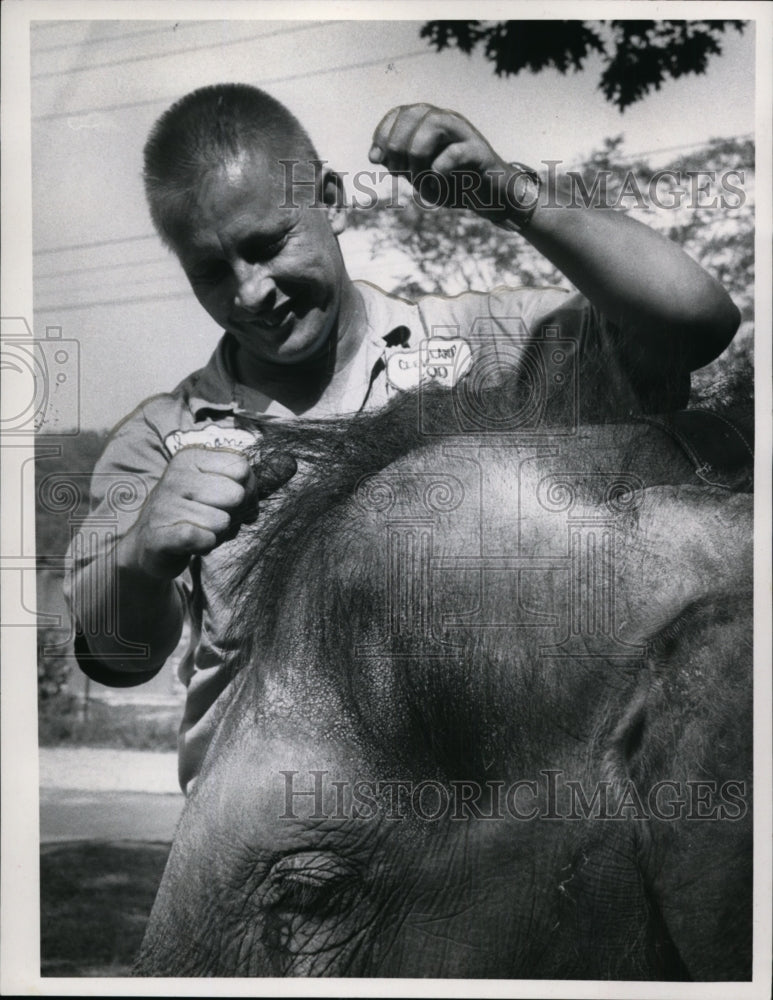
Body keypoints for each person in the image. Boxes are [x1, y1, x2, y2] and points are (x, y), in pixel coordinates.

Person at [64, 84, 740, 793]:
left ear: (329, 197)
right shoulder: (160, 437)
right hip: (269, 860)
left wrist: (509, 195)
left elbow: (695, 322)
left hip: (466, 842)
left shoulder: (485, 348)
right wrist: (139, 560)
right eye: (211, 269)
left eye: (268, 246)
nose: (250, 293)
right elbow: (117, 659)